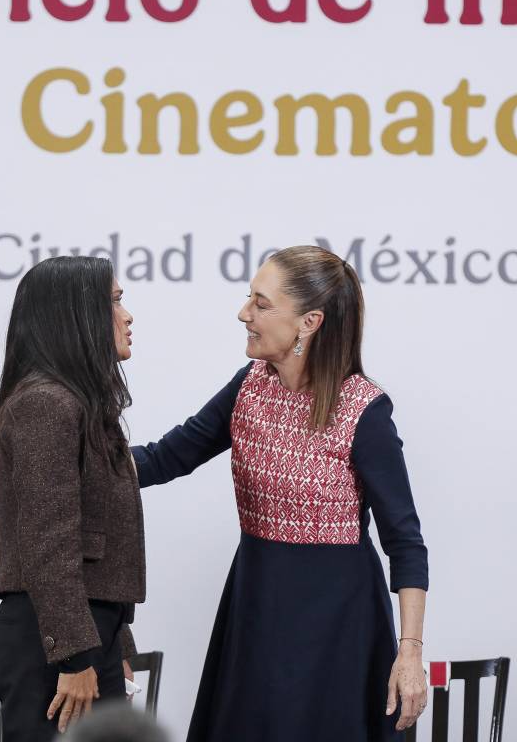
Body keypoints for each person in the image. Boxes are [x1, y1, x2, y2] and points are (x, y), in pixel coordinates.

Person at [132, 245, 429, 741]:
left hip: (340, 626)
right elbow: (165, 458)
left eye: (261, 304)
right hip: (258, 609)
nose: (244, 313)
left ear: (309, 322)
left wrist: (410, 653)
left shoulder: (365, 410)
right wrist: (70, 457)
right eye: (249, 298)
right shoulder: (248, 387)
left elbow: (405, 540)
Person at [0, 256, 145, 741]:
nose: (127, 316)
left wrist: (115, 644)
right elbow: (50, 544)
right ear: (75, 316)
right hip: (53, 645)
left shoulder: (80, 406)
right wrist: (75, 657)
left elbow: (97, 552)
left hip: (83, 639)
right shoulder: (46, 403)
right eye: (114, 302)